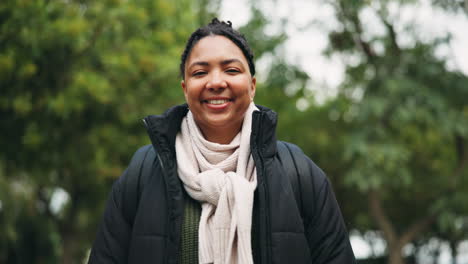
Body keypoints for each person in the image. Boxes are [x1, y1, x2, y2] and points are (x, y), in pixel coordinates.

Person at [88, 18, 356, 264]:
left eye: (230, 69)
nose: (216, 82)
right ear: (185, 89)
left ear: (252, 86)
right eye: (200, 73)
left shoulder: (299, 172)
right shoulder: (143, 171)